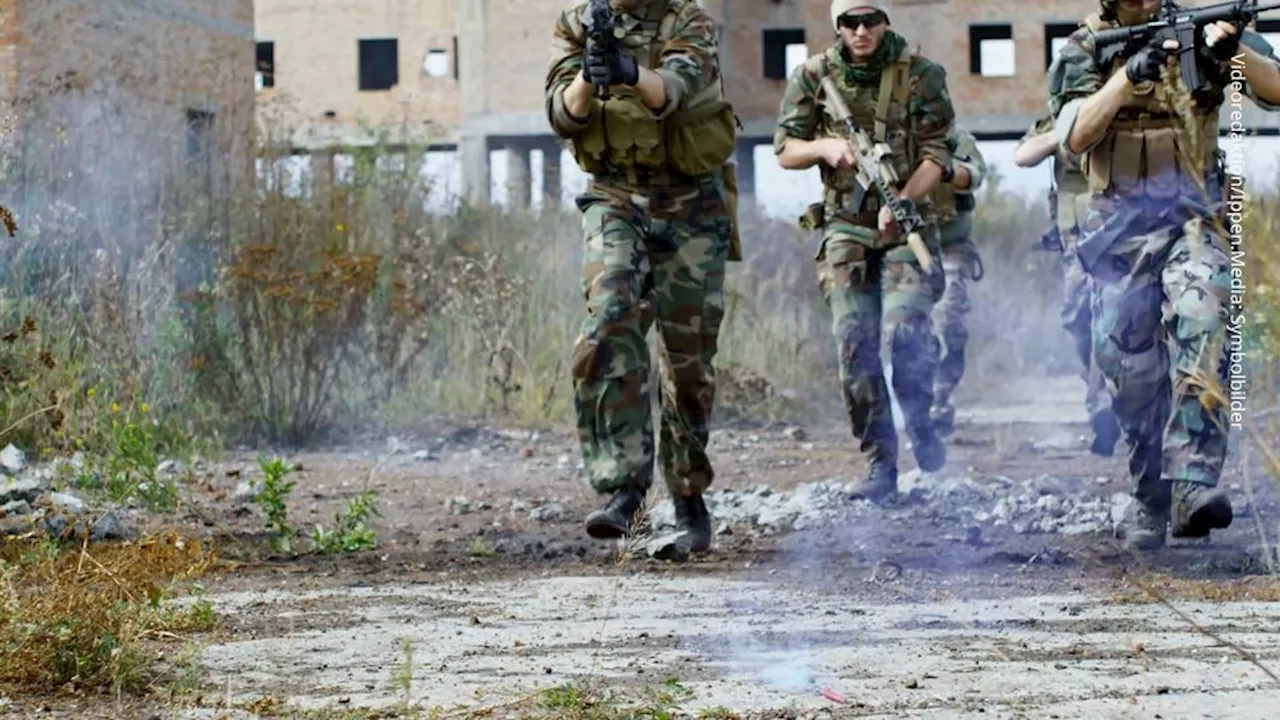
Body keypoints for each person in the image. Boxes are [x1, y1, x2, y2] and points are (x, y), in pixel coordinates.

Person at [1048, 0, 1280, 549]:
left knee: (1205, 313)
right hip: (1118, 228)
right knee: (1128, 370)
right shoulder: (1085, 46)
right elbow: (1074, 135)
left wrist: (1235, 52)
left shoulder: (1208, 30)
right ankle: (1149, 490)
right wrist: (1128, 77)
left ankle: (1193, 483)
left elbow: (1276, 90)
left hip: (1193, 217)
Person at [543, 0, 741, 559]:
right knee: (609, 320)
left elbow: (675, 89)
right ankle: (624, 488)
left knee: (688, 360)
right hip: (614, 195)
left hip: (690, 203)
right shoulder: (576, 22)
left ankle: (687, 499)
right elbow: (562, 114)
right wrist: (590, 73)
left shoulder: (689, 18)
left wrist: (630, 73)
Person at [774, 1, 955, 501]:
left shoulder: (922, 75)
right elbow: (786, 147)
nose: (860, 31)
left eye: (870, 20)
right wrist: (824, 149)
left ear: (886, 21)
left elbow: (940, 153)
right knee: (855, 345)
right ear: (838, 25)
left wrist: (903, 200)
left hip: (906, 226)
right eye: (850, 22)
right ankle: (880, 464)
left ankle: (919, 419)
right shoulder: (814, 75)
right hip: (845, 227)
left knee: (906, 336)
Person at [1014, 114, 1121, 456]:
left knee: (1112, 315)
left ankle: (1105, 402)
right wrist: (1068, 131)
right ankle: (1105, 393)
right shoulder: (1056, 117)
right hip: (1075, 238)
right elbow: (1024, 155)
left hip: (1121, 232)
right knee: (1077, 319)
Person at [928, 126, 987, 437]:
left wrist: (942, 170)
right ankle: (912, 399)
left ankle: (941, 394)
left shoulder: (956, 139)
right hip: (901, 248)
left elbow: (975, 174)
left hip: (950, 246)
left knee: (948, 320)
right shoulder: (891, 139)